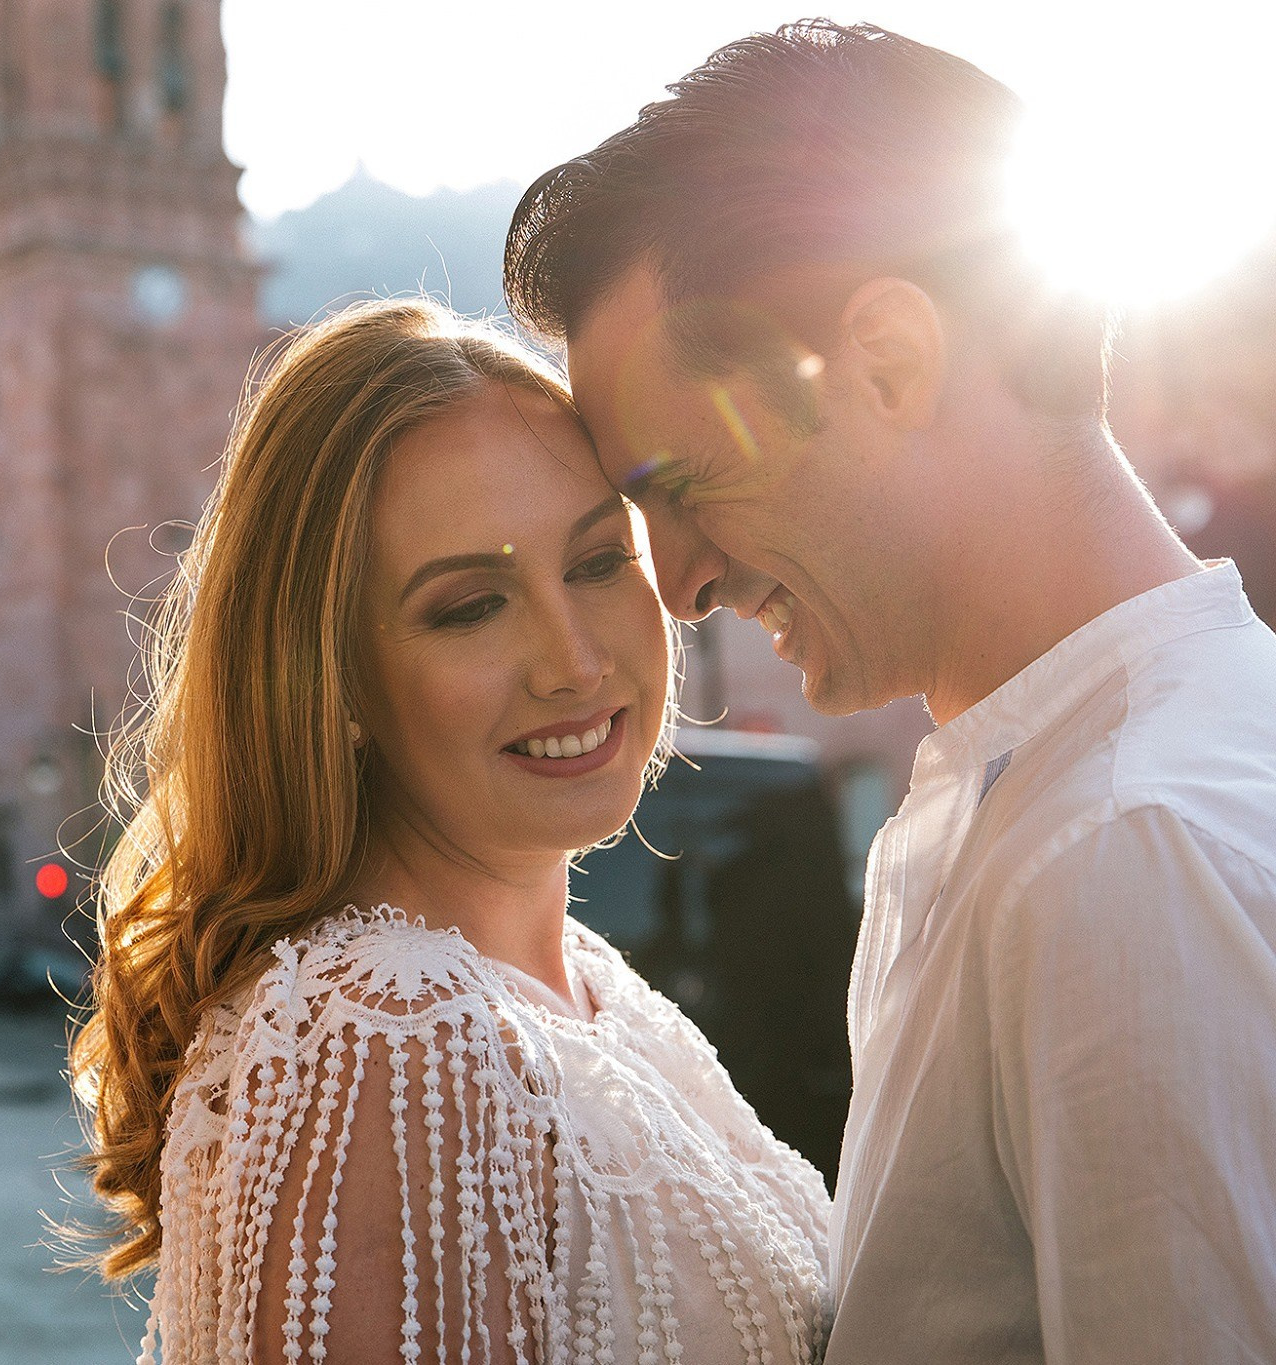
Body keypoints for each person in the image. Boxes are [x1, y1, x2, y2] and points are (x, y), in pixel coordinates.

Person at [504, 21, 1276, 1363]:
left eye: (682, 486)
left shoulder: (1120, 851)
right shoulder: (1081, 787)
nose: (676, 586)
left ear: (887, 364)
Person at [69, 298, 833, 1364]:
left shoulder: (583, 984)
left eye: (596, 562)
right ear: (333, 679)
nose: (573, 661)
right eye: (470, 605)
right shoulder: (386, 1039)